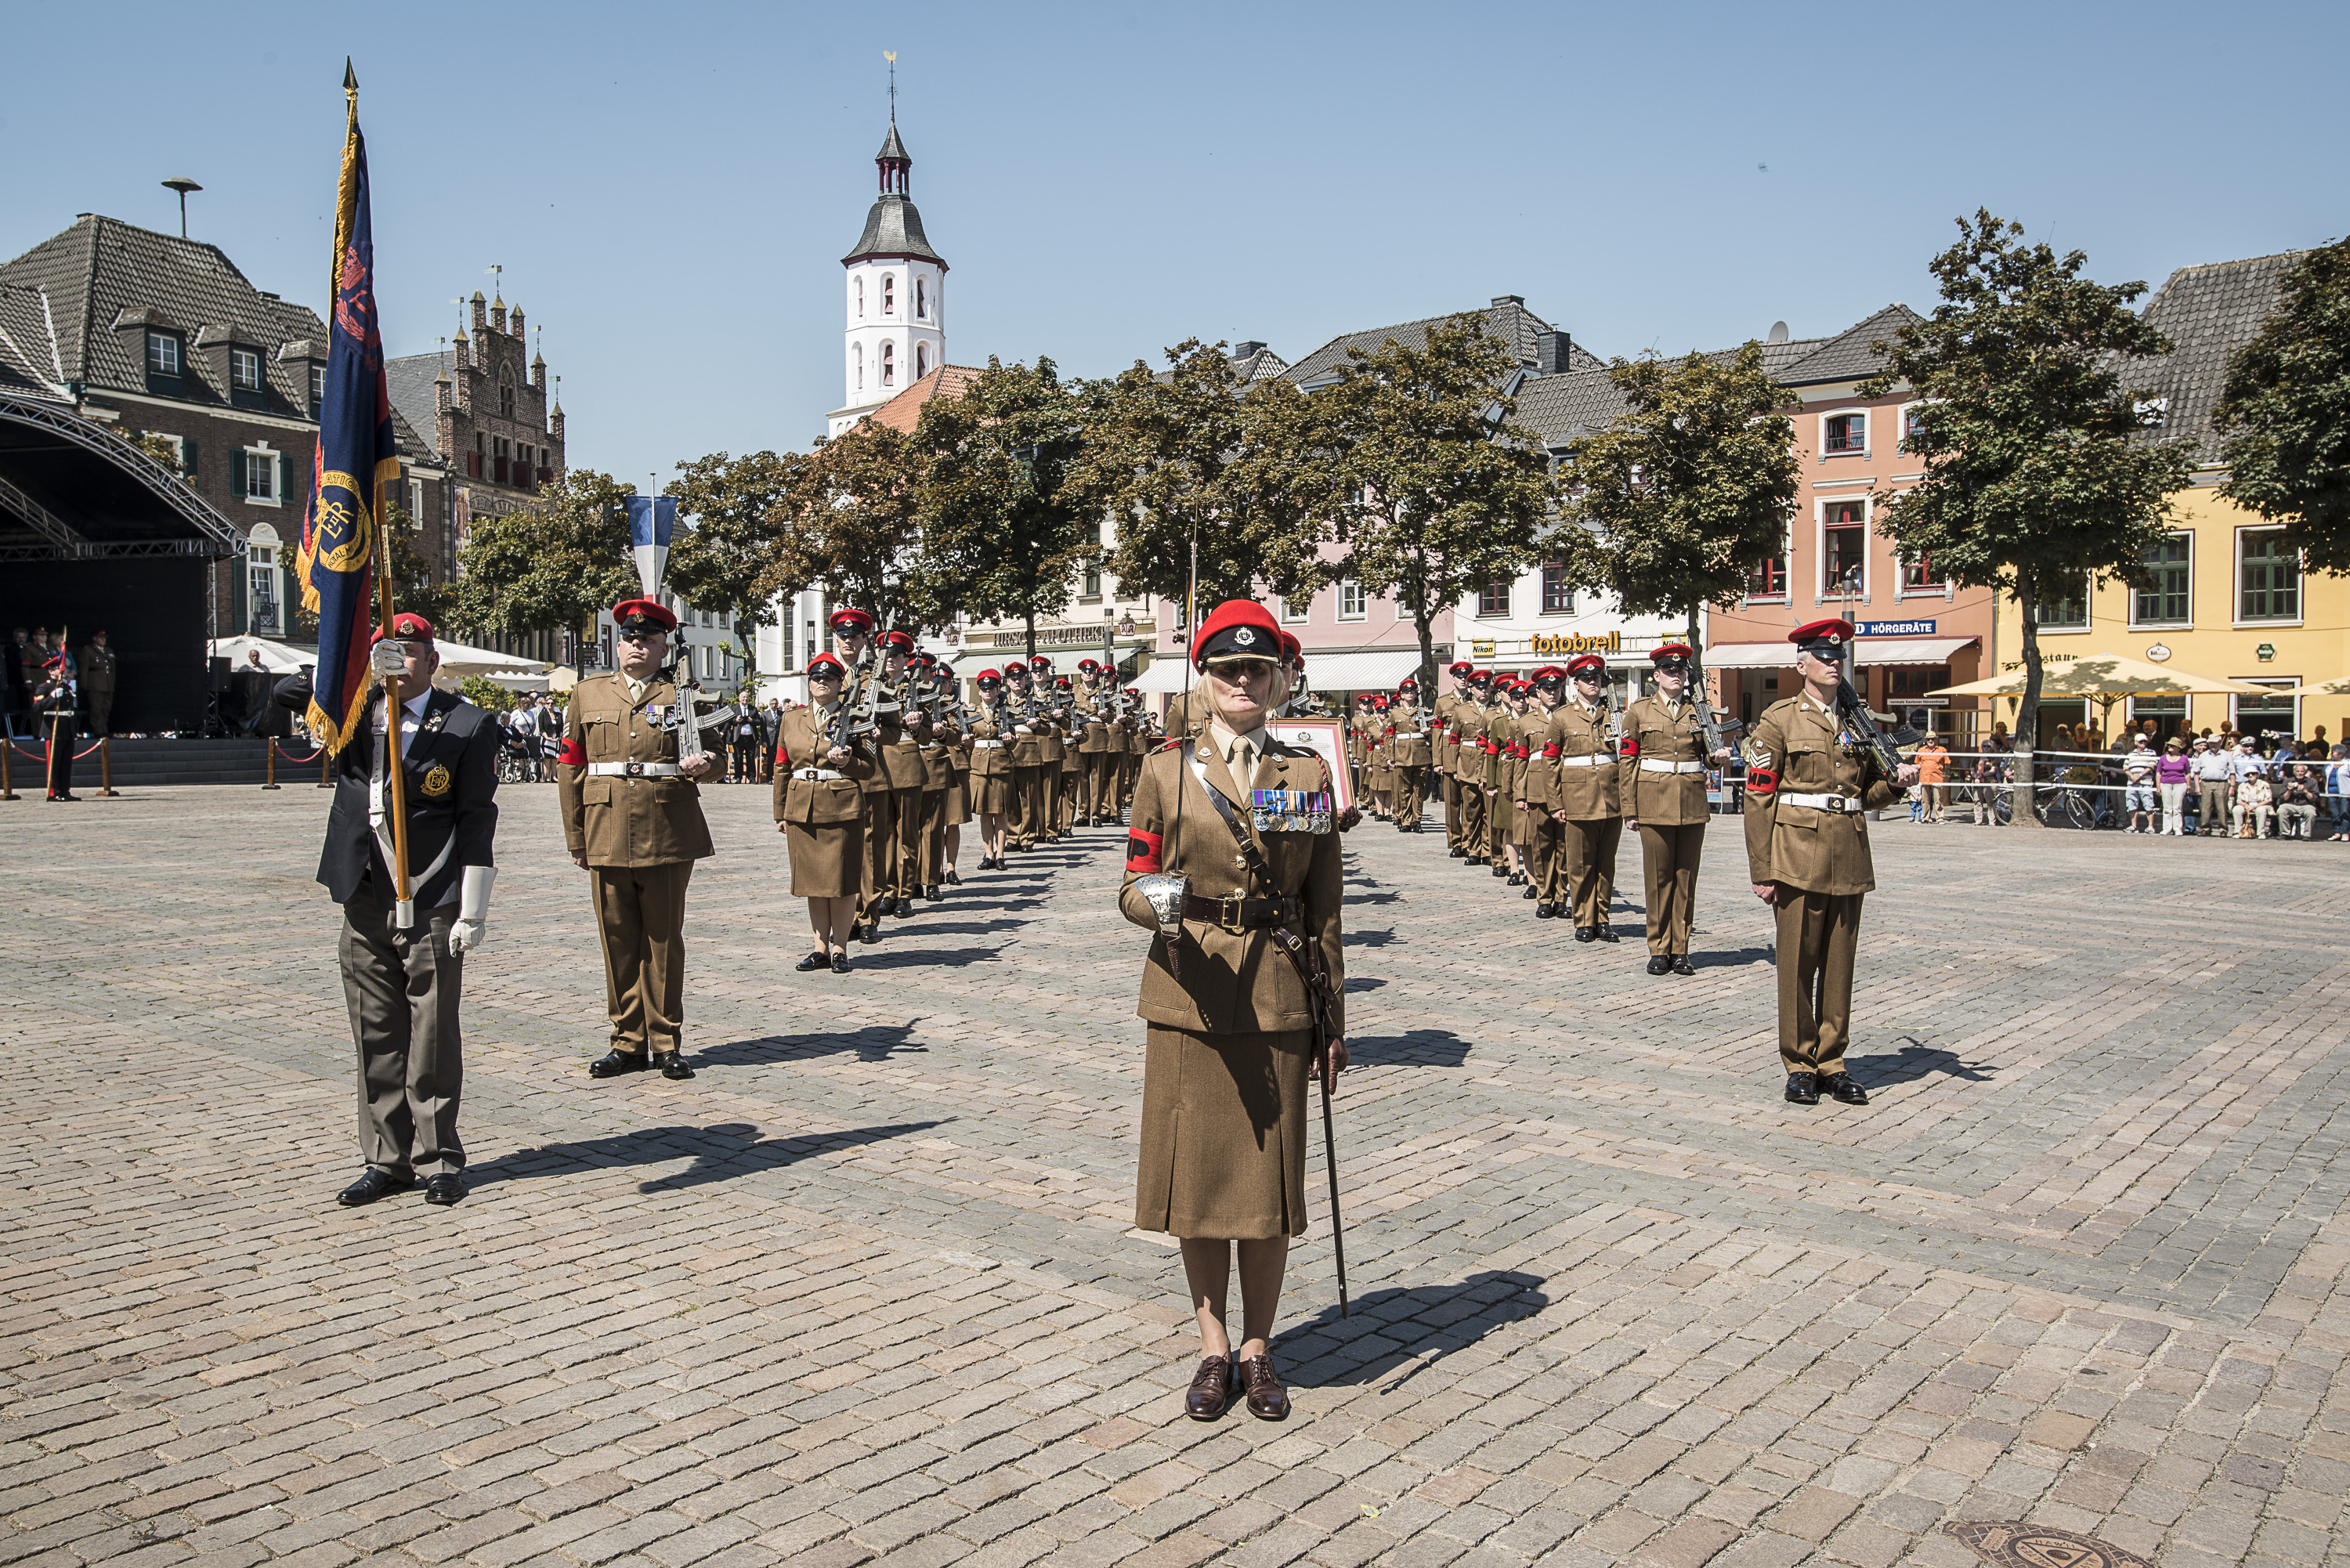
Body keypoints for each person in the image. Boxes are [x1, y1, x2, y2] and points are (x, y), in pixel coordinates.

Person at [1117, 597, 1345, 1423]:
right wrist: (1161, 905)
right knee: (1201, 1182)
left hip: (1281, 994)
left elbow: (1324, 909)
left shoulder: (1306, 775)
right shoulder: (1164, 770)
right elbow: (1135, 879)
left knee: (1266, 1187)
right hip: (1191, 994)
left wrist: (1334, 1020)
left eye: (1257, 669)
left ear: (1280, 680)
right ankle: (1212, 1346)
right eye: (1226, 670)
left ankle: (1259, 1346)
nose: (1242, 681)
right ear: (1205, 681)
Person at [276, 613, 499, 1207]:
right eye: (385, 652)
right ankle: (386, 1158)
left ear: (432, 660)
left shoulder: (468, 724)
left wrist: (472, 908)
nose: (397, 661)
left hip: (429, 893)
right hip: (364, 889)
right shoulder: (352, 715)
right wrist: (347, 673)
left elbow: (477, 818)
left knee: (430, 1031)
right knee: (375, 1029)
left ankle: (439, 1157)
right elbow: (284, 693)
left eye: (409, 652)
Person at [1742, 620, 1917, 1107]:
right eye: (1823, 656)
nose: (1834, 662)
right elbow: (1758, 798)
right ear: (1802, 665)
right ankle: (1799, 1062)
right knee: (1798, 963)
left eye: (1839, 656)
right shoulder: (1779, 720)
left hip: (1849, 852)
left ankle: (1832, 1061)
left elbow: (1868, 794)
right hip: (1796, 855)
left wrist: (1898, 783)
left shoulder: (1862, 721)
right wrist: (1763, 869)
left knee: (1840, 966)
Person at [556, 597, 716, 1081]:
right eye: (628, 637)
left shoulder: (685, 693)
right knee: (618, 939)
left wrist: (706, 766)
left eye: (647, 638)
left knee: (663, 940)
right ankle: (627, 1042)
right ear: (617, 642)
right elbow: (570, 766)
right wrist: (575, 835)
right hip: (605, 827)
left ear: (664, 645)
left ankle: (666, 1040)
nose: (636, 645)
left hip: (667, 828)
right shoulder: (588, 694)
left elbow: (719, 758)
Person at [1621, 644, 1730, 974]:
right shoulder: (1639, 711)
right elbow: (1628, 761)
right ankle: (1658, 948)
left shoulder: (1699, 710)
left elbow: (1708, 755)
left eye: (1681, 671)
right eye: (1670, 671)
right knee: (1658, 878)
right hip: (1653, 802)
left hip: (1692, 802)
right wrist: (1629, 808)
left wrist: (1718, 758)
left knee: (1685, 878)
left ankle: (1680, 949)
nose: (1677, 676)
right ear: (1656, 676)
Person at [774, 653, 876, 971]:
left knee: (842, 882)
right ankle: (819, 947)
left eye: (830, 679)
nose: (822, 683)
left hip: (842, 808)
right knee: (813, 883)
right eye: (817, 678)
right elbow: (781, 766)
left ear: (838, 684)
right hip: (801, 807)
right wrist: (780, 812)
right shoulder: (792, 719)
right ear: (809, 682)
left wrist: (847, 762)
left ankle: (840, 948)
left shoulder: (857, 719)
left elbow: (870, 768)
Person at [1541, 654, 1623, 942]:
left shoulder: (1615, 715)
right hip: (1576, 799)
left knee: (1605, 865)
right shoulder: (1563, 717)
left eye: (1597, 679)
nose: (1593, 683)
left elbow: (1626, 757)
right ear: (1576, 684)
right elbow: (1549, 762)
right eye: (1587, 679)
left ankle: (1602, 919)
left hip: (1611, 799)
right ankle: (1584, 920)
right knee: (1580, 865)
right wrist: (1555, 803)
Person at [964, 669, 1016, 869]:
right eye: (984, 688)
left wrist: (1010, 741)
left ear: (997, 691)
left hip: (1001, 765)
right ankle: (988, 854)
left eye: (991, 688)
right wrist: (965, 742)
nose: (988, 692)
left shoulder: (1007, 711)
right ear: (979, 691)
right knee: (984, 813)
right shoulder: (971, 713)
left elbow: (1013, 742)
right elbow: (967, 742)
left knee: (1000, 812)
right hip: (978, 766)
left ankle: (1001, 854)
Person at [32, 652, 79, 800]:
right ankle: (54, 792)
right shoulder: (44, 687)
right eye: (59, 668)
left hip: (67, 728)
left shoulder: (66, 687)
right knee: (55, 762)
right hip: (53, 728)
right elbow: (37, 707)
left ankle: (65, 791)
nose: (63, 671)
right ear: (51, 671)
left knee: (66, 763)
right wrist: (52, 697)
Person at [78, 630, 117, 737]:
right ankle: (98, 730)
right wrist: (84, 683)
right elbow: (84, 668)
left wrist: (112, 683)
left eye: (104, 637)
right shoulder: (88, 651)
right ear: (95, 638)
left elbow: (113, 669)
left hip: (107, 683)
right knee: (96, 708)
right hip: (95, 683)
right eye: (101, 637)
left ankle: (104, 729)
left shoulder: (109, 651)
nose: (104, 640)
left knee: (106, 708)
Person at [2194, 737, 2233, 840]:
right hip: (2206, 783)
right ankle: (2205, 828)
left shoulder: (2226, 755)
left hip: (2221, 783)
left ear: (2220, 743)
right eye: (2211, 743)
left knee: (2222, 808)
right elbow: (2196, 772)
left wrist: (2232, 787)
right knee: (2205, 808)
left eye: (2215, 743)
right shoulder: (2203, 756)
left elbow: (2232, 772)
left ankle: (2223, 829)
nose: (2213, 745)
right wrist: (2197, 786)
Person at [2122, 733, 2160, 833]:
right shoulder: (2130, 754)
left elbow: (2152, 765)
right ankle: (2133, 826)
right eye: (2141, 741)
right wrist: (2132, 776)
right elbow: (2125, 768)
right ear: (2135, 743)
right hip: (2132, 783)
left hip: (2146, 782)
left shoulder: (2151, 752)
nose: (2143, 743)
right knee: (2131, 804)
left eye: (2145, 741)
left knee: (2149, 804)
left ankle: (2150, 826)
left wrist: (2140, 775)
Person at [2155, 738, 2193, 836]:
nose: (2169, 747)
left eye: (2172, 746)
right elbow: (2158, 773)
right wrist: (2158, 786)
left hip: (2180, 783)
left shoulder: (2184, 758)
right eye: (2169, 745)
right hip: (2166, 783)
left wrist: (2189, 786)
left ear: (2178, 748)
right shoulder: (2163, 758)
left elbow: (2187, 773)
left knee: (2177, 807)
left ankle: (2177, 828)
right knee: (2167, 807)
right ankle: (2167, 828)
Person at [725, 688, 763, 782]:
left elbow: (759, 722)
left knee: (751, 758)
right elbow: (729, 722)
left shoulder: (753, 709)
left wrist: (751, 720)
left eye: (747, 697)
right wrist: (736, 721)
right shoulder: (734, 709)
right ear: (739, 698)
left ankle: (751, 778)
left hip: (750, 737)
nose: (745, 699)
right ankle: (738, 778)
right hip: (738, 737)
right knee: (738, 758)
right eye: (743, 697)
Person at [1914, 733, 1950, 823]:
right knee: (1925, 800)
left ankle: (1940, 818)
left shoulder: (1942, 750)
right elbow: (1917, 764)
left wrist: (1942, 771)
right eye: (1929, 739)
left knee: (1938, 799)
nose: (1931, 741)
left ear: (1936, 740)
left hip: (1937, 778)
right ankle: (1925, 817)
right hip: (1925, 778)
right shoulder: (1921, 750)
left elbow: (1947, 764)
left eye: (1933, 739)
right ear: (1926, 740)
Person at [2277, 765, 2319, 840]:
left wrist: (2305, 791)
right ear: (2294, 772)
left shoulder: (2312, 782)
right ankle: (2285, 834)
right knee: (2281, 810)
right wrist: (2289, 790)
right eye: (2297, 771)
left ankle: (2306, 835)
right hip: (2291, 804)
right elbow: (2283, 799)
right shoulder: (2288, 781)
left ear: (2305, 772)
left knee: (2311, 812)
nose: (2300, 773)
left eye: (2302, 771)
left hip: (2306, 805)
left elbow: (2315, 799)